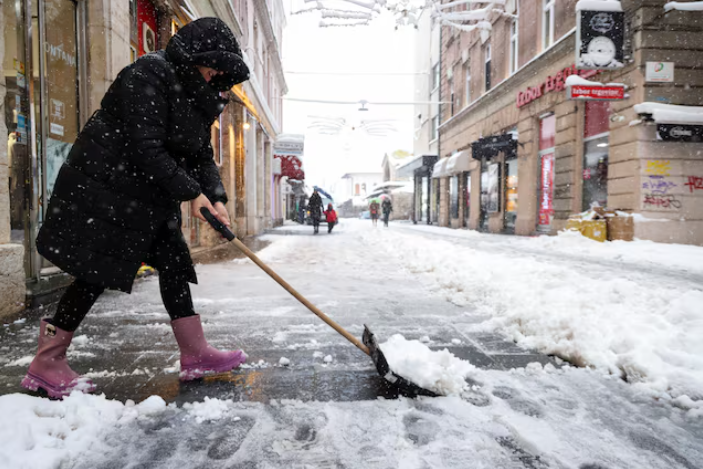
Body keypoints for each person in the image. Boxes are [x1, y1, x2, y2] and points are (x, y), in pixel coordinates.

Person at [21, 18, 250, 399]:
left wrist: (217, 197)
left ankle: (195, 354)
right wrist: (192, 194)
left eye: (223, 69)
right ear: (196, 57)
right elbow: (146, 147)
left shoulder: (199, 95)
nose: (218, 74)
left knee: (175, 265)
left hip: (150, 196)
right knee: (95, 273)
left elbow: (200, 153)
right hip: (110, 191)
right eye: (214, 65)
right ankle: (47, 362)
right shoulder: (148, 74)